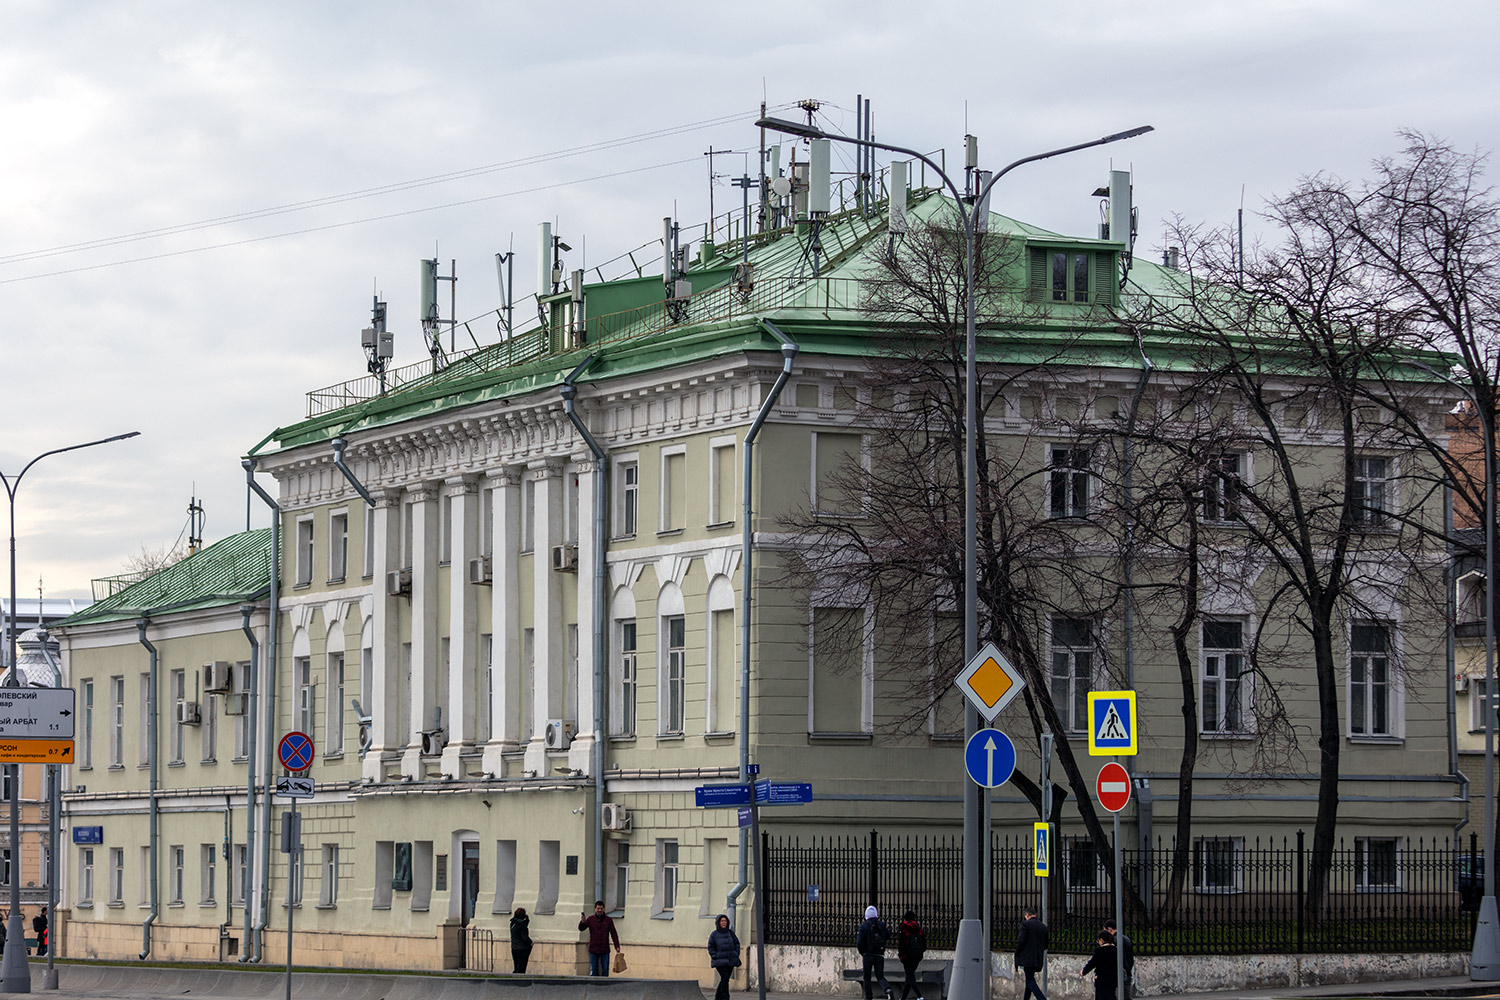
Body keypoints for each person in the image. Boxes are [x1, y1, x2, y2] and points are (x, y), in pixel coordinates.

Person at [856, 904, 892, 1000]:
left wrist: (862, 952)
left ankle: (869, 997)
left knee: (867, 977)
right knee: (880, 976)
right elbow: (888, 936)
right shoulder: (881, 925)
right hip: (879, 954)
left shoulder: (863, 926)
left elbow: (859, 942)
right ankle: (887, 989)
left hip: (868, 955)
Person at [578, 899, 621, 977]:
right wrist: (582, 922)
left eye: (601, 908)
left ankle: (604, 988)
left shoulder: (608, 920)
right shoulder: (591, 919)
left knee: (605, 971)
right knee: (594, 971)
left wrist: (617, 946)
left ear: (603, 909)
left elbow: (614, 933)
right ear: (595, 909)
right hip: (593, 949)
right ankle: (594, 988)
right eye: (598, 908)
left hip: (604, 949)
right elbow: (581, 929)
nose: (599, 910)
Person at [1015, 905, 1049, 1000]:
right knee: (1029, 980)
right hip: (1038, 958)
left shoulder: (1025, 925)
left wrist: (1017, 953)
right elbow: (1045, 945)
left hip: (1027, 958)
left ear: (1026, 915)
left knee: (1030, 980)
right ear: (1035, 915)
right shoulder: (1043, 927)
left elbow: (1021, 941)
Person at [707, 913, 741, 1000]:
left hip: (730, 960)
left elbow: (737, 943)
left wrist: (736, 953)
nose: (723, 922)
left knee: (725, 979)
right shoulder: (714, 934)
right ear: (718, 922)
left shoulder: (730, 933)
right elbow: (711, 947)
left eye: (725, 921)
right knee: (725, 978)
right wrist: (715, 955)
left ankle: (718, 997)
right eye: (722, 921)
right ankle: (725, 997)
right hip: (720, 961)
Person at [895, 910, 926, 1000]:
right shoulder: (918, 929)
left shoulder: (904, 929)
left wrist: (901, 956)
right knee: (909, 977)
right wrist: (919, 952)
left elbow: (901, 945)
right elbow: (924, 944)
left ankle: (919, 996)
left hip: (907, 957)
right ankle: (903, 997)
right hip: (917, 956)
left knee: (911, 977)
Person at [1080, 930, 1118, 1000]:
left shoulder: (1100, 951)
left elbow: (1092, 963)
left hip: (1102, 979)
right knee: (1111, 995)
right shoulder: (1116, 950)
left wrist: (1083, 971)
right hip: (1113, 978)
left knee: (1101, 996)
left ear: (1101, 940)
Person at [1104, 918, 1133, 999]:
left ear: (1109, 929)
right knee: (1126, 996)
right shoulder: (1127, 939)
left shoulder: (1113, 940)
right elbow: (1131, 957)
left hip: (1116, 973)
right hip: (1127, 972)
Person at [509, 906, 532, 974]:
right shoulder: (522, 925)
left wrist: (525, 922)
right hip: (522, 949)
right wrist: (530, 942)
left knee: (516, 966)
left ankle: (514, 979)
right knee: (522, 967)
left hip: (514, 947)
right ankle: (520, 981)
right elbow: (524, 937)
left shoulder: (512, 923)